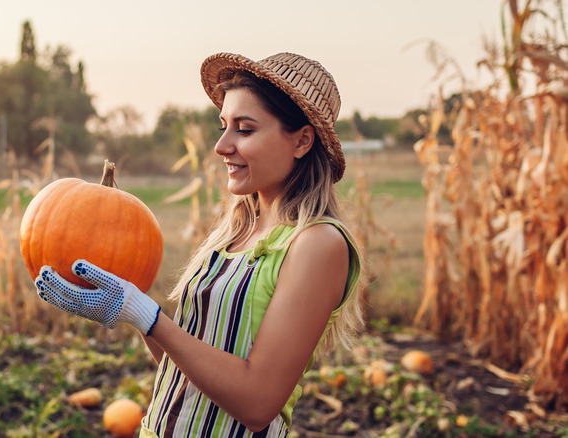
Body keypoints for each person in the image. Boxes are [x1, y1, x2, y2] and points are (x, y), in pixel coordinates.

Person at [34, 52, 365, 437]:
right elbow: (183, 367)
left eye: (244, 129)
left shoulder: (317, 244)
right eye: (223, 126)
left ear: (302, 141)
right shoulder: (233, 234)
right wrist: (133, 313)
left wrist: (147, 315)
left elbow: (258, 404)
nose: (221, 146)